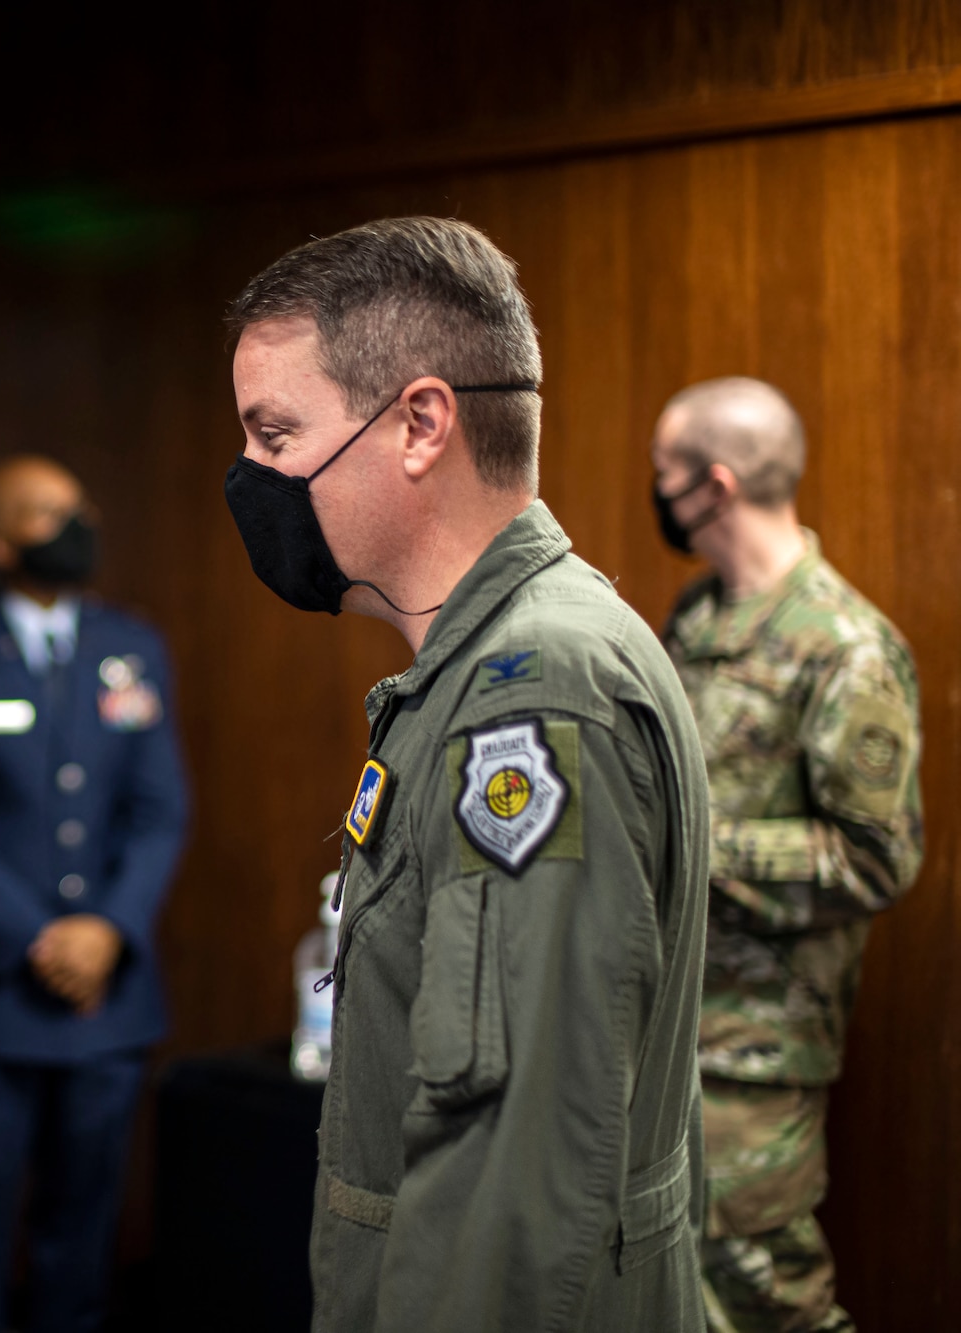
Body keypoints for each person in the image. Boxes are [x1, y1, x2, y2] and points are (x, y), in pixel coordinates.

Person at [220, 217, 711, 1331]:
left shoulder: (529, 694)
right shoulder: (486, 666)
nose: (248, 477)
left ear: (418, 424)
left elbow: (514, 1158)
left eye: (274, 432)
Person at [0, 456, 189, 1333]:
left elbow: (160, 810)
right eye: (44, 512)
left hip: (109, 1003)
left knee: (83, 1242)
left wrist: (109, 929)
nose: (72, 523)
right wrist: (38, 939)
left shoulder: (132, 648)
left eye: (78, 506)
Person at [650, 377, 922, 1333]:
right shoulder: (696, 618)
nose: (657, 489)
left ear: (714, 486)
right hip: (667, 1029)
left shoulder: (843, 646)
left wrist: (696, 841)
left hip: (758, 1053)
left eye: (664, 472)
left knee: (766, 1302)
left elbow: (875, 858)